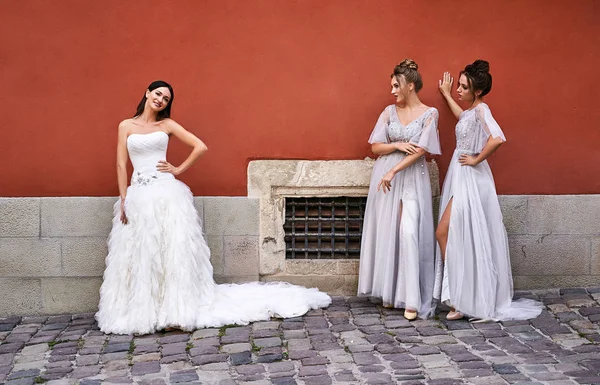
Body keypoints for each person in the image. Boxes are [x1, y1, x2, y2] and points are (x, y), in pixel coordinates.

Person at [96, 80, 331, 335]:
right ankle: (142, 310)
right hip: (138, 195)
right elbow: (121, 164)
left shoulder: (167, 125)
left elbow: (200, 147)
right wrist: (123, 199)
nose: (161, 100)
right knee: (142, 252)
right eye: (158, 94)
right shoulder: (126, 126)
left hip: (166, 193)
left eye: (166, 98)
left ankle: (176, 312)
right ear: (147, 93)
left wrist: (177, 169)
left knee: (173, 252)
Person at [434, 61, 542, 321]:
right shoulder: (471, 111)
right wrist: (447, 94)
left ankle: (461, 299)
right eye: (459, 85)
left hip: (471, 179)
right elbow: (462, 118)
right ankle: (460, 297)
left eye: (464, 87)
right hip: (460, 177)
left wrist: (476, 159)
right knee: (458, 234)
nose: (459, 89)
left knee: (447, 232)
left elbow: (498, 137)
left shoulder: (483, 109)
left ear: (478, 92)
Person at [358, 59, 441, 320]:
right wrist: (396, 146)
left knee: (408, 232)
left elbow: (422, 150)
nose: (392, 91)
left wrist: (394, 169)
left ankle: (412, 300)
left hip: (410, 178)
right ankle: (391, 293)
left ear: (411, 85)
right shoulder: (388, 112)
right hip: (385, 180)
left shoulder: (430, 113)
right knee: (389, 233)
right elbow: (375, 146)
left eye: (397, 86)